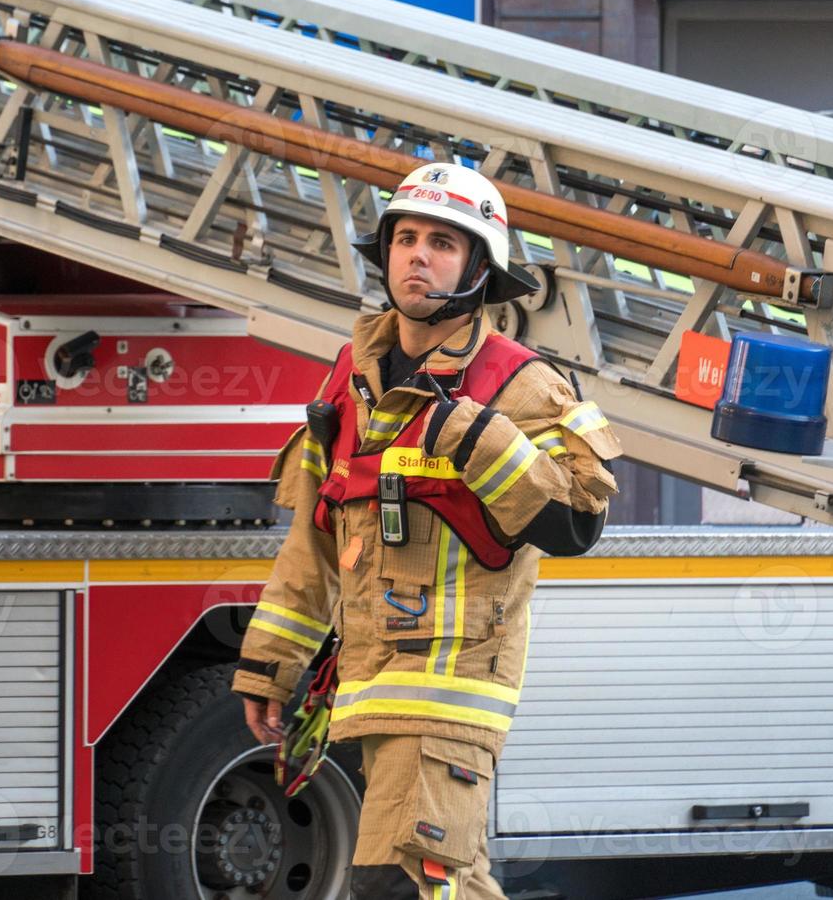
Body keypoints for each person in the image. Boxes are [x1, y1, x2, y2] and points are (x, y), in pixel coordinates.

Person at [231, 162, 620, 899]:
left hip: (453, 692)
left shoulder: (523, 383)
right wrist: (271, 665)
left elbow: (577, 522)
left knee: (397, 884)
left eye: (443, 242)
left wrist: (474, 435)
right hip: (370, 685)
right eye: (405, 237)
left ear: (481, 266)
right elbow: (314, 540)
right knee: (445, 887)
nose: (417, 254)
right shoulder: (352, 377)